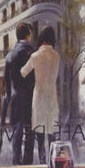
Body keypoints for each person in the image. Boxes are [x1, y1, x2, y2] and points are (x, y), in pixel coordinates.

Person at [28, 25, 63, 160]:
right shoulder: (57, 56)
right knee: (52, 132)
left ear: (41, 38)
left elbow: (23, 72)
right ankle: (53, 160)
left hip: (39, 98)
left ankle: (42, 161)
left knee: (40, 133)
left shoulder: (35, 56)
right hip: (52, 98)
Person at [4, 24, 36, 164]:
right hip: (30, 99)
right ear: (28, 34)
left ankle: (16, 162)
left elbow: (7, 84)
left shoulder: (10, 56)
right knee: (30, 132)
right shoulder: (33, 54)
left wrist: (8, 102)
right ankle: (27, 165)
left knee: (17, 132)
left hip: (16, 99)